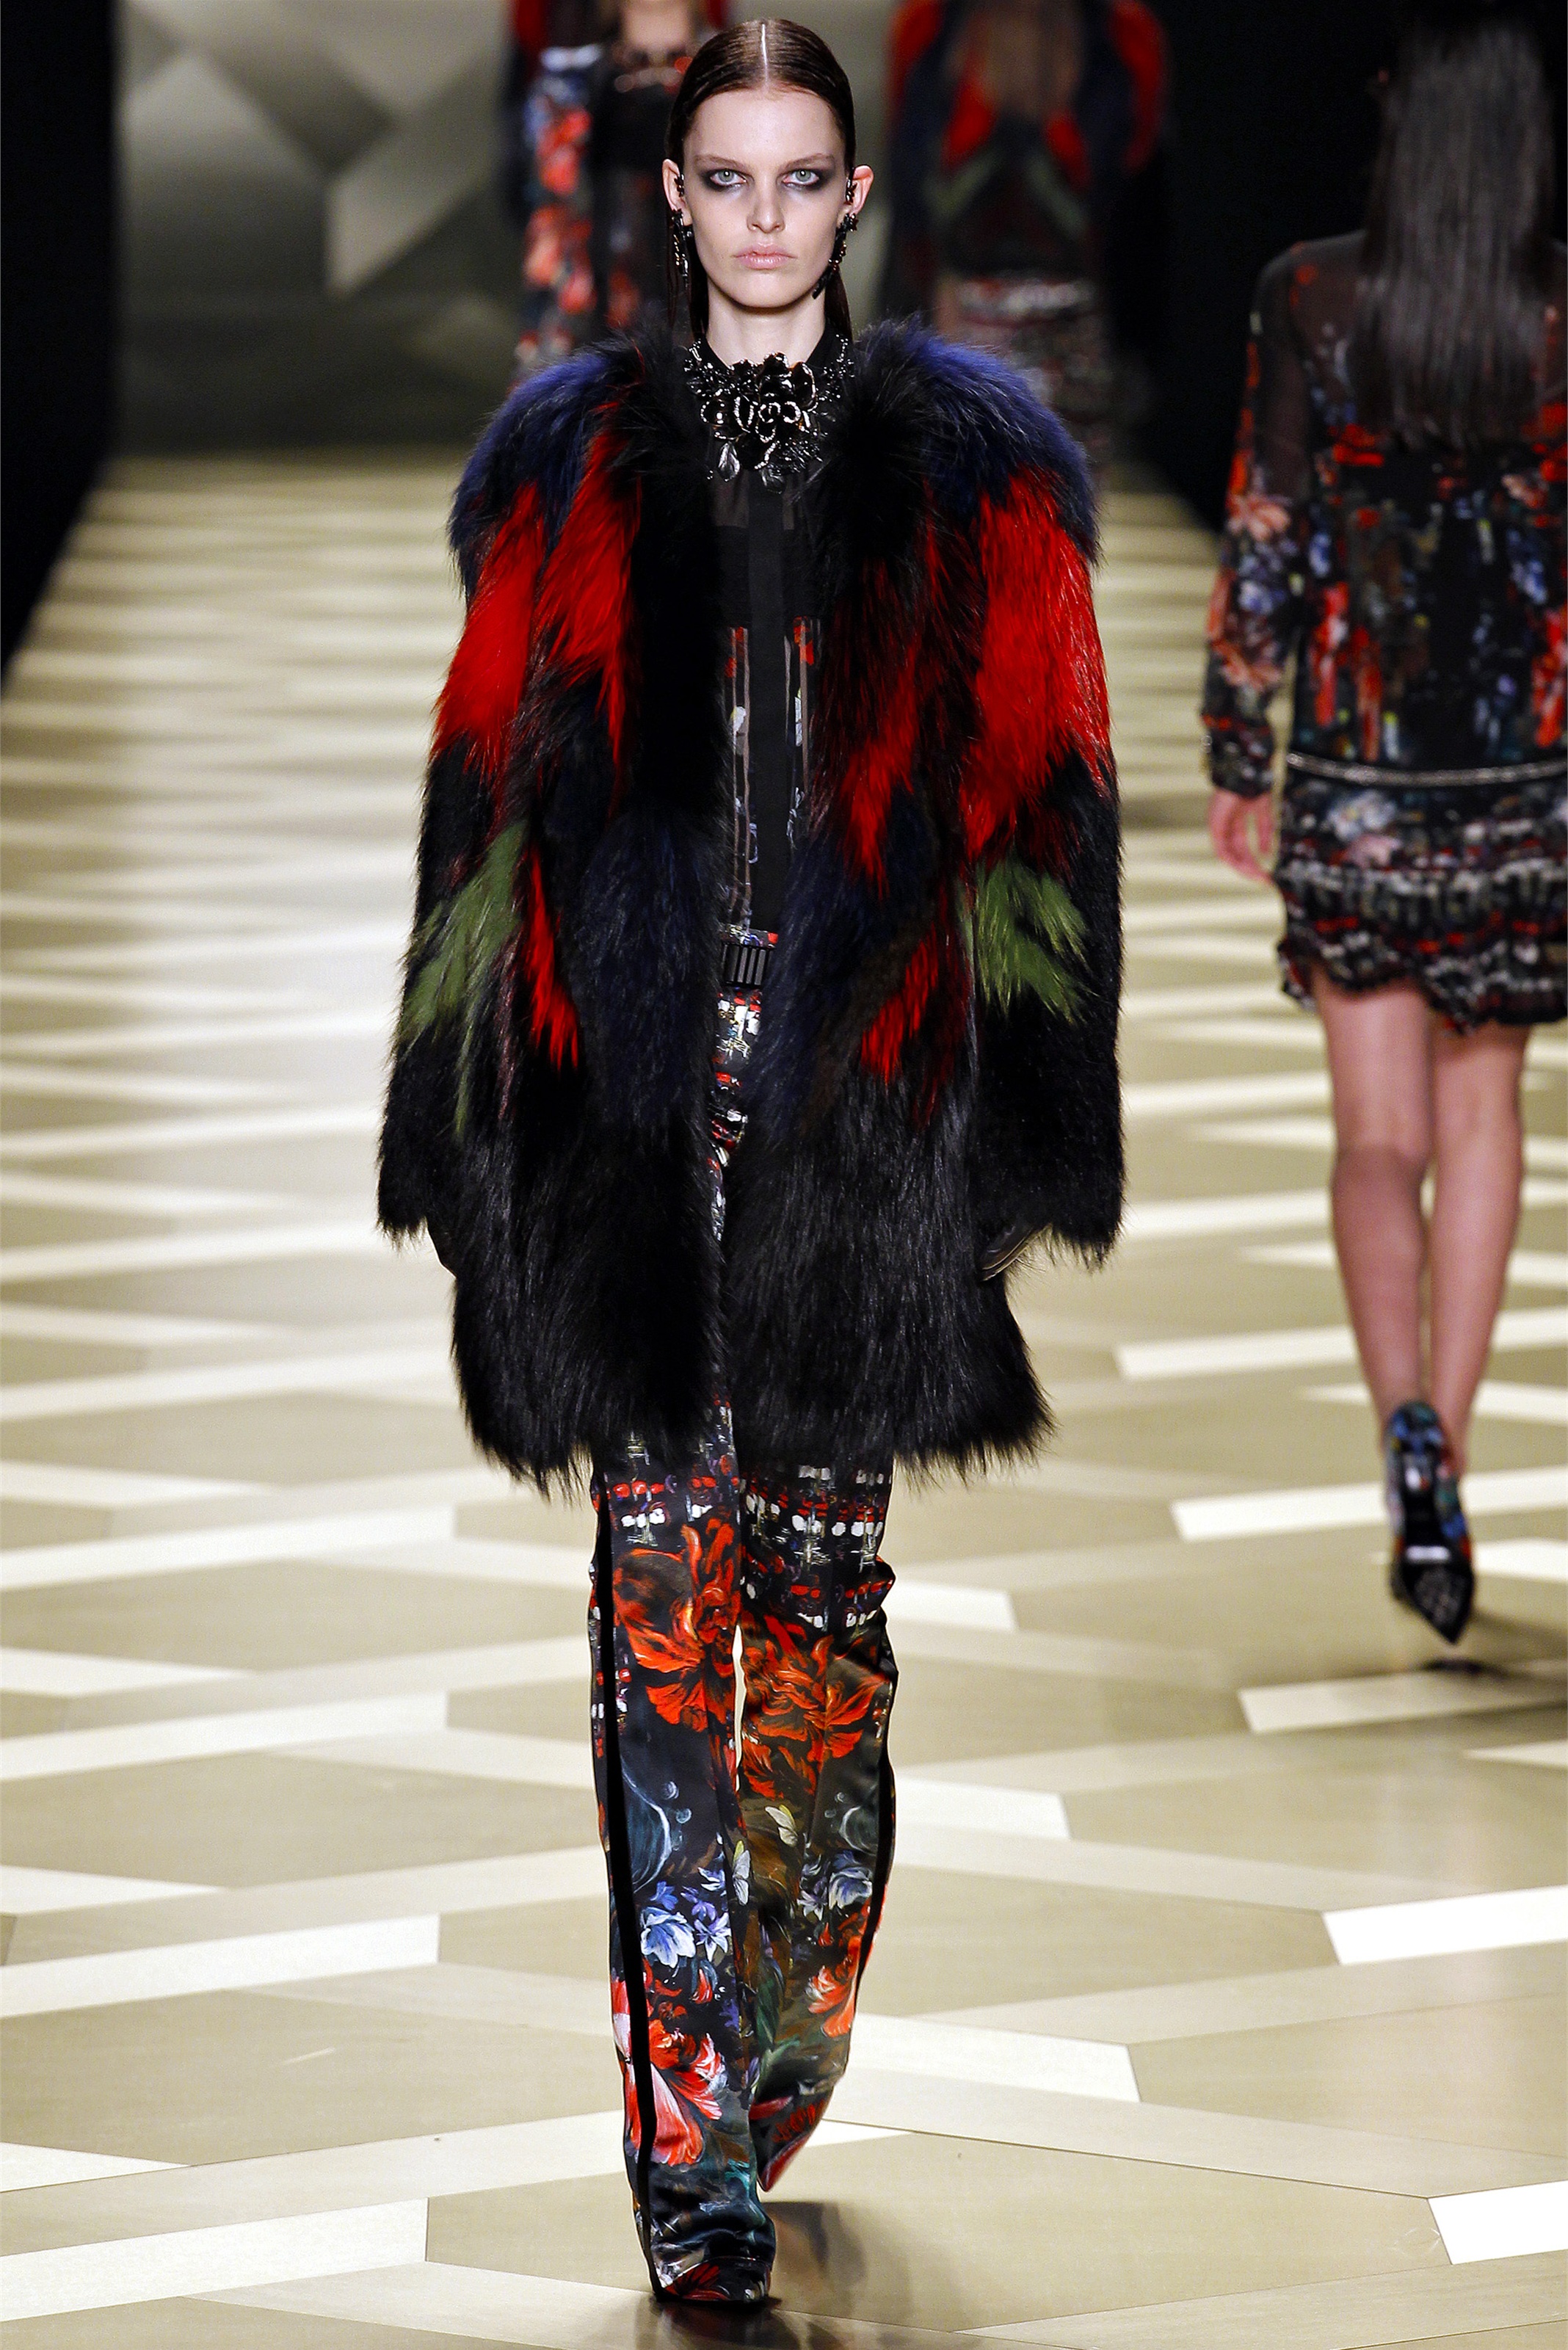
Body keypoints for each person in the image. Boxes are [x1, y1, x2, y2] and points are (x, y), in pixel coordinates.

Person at [380, 15, 1122, 2304]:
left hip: (857, 1111)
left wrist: (1024, 1122)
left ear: (853, 198)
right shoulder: (567, 461)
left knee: (818, 1626)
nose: (769, 216)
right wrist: (462, 1120)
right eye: (731, 177)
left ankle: (781, 2026)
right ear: (676, 193)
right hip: (633, 1106)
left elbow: (1044, 813)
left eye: (806, 178)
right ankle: (687, 2140)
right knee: (656, 1619)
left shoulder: (979, 467)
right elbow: (485, 803)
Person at [1202, 0, 1566, 1646]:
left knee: (1375, 1138)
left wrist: (1240, 744)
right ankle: (1453, 1456)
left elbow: (1270, 528)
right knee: (1484, 1118)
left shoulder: (1311, 295)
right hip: (1524, 775)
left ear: (1402, 119)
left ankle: (1400, 1424)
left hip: (1358, 766)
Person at [879, 0, 1166, 473]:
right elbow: (911, 205)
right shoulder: (930, 27)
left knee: (1062, 498)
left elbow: (1134, 206)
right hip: (959, 321)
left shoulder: (1124, 36)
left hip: (1076, 333)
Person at [502, 0, 720, 374]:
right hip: (594, 334)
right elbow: (554, 229)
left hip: (715, 332)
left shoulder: (738, 79)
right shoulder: (566, 85)